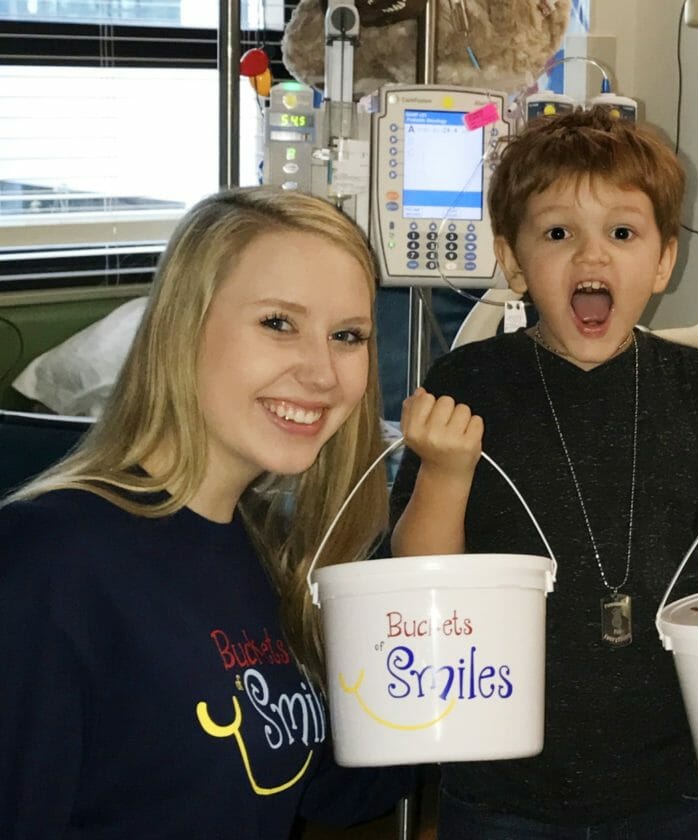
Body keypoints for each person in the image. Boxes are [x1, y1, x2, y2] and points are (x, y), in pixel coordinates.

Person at [388, 108, 698, 838]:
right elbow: (422, 584)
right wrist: (443, 470)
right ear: (514, 259)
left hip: (675, 774)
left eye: (622, 233)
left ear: (662, 261)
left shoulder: (695, 385)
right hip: (506, 780)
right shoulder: (469, 382)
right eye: (558, 233)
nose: (592, 257)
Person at [0, 186, 412, 838]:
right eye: (278, 323)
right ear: (182, 325)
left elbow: (321, 786)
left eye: (347, 336)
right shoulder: (51, 563)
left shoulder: (258, 550)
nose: (323, 373)